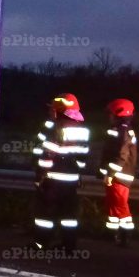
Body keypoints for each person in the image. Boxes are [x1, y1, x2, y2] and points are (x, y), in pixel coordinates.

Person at [31, 93, 89, 252]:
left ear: (60, 110)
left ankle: (41, 244)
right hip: (71, 181)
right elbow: (82, 158)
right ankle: (68, 245)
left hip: (53, 180)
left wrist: (40, 176)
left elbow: (48, 154)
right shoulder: (82, 129)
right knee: (69, 215)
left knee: (45, 215)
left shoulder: (57, 127)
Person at [98, 99, 137, 246]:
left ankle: (125, 236)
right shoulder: (121, 128)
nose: (109, 116)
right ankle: (111, 234)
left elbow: (121, 154)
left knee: (120, 206)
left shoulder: (123, 130)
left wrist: (111, 173)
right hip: (117, 175)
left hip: (119, 175)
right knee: (113, 205)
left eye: (111, 113)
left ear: (118, 114)